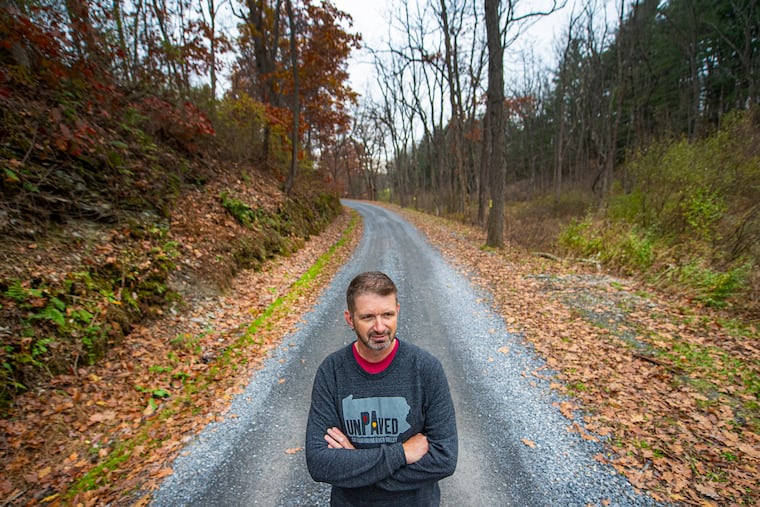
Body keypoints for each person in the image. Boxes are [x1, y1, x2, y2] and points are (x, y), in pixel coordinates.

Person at [305, 271, 458, 506]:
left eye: (387, 314)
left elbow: (444, 458)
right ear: (350, 319)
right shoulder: (332, 371)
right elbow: (319, 462)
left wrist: (357, 464)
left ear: (397, 310)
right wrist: (402, 454)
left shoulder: (426, 369)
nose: (380, 327)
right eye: (367, 317)